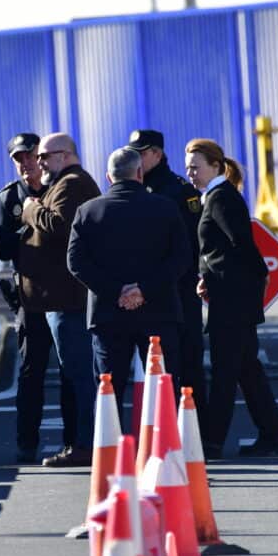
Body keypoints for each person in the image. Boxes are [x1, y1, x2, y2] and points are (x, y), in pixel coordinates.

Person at [68, 146, 190, 423]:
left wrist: (117, 291)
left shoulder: (88, 211)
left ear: (109, 177)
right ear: (139, 173)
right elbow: (181, 259)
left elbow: (76, 262)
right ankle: (164, 452)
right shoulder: (165, 208)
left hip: (108, 315)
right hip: (159, 312)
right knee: (164, 387)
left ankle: (111, 456)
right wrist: (143, 290)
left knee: (109, 390)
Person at [185, 138, 278, 459]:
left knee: (225, 372)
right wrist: (208, 278)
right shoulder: (214, 197)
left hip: (232, 302)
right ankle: (274, 436)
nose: (190, 173)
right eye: (188, 167)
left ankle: (212, 442)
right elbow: (221, 252)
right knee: (246, 370)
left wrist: (246, 279)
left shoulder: (220, 198)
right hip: (230, 297)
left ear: (215, 166)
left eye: (196, 166)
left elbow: (242, 245)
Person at [0, 132, 78, 464]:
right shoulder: (10, 197)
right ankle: (26, 441)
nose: (25, 164)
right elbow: (2, 247)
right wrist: (29, 229)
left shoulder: (61, 189)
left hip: (65, 293)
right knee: (31, 370)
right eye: (18, 159)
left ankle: (74, 439)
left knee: (71, 367)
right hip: (29, 296)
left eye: (30, 156)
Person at [18, 132, 100, 467]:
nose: (39, 163)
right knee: (76, 374)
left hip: (68, 300)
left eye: (45, 157)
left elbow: (59, 225)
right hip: (61, 299)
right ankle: (83, 442)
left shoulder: (71, 184)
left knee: (80, 375)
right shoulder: (65, 183)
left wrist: (30, 210)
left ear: (65, 155)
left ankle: (86, 444)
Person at [127, 129, 206, 429]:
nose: (136, 158)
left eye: (141, 153)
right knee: (158, 363)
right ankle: (164, 427)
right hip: (150, 291)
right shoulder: (138, 186)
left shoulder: (178, 190)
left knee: (187, 360)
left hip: (179, 289)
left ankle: (197, 430)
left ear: (157, 154)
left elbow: (190, 245)